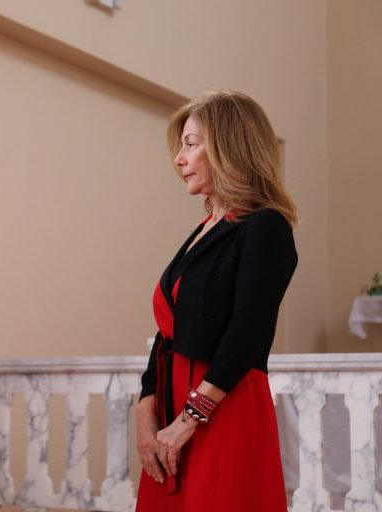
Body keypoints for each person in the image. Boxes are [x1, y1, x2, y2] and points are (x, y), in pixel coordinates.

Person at [135, 91, 297, 511]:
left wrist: (189, 421)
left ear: (228, 147)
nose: (179, 158)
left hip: (222, 409)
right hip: (175, 410)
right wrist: (145, 410)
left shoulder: (266, 227)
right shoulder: (205, 228)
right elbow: (166, 331)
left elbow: (247, 334)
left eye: (191, 144)